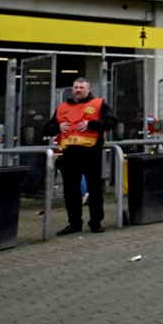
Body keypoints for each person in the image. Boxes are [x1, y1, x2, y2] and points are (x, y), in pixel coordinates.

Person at [42, 77, 117, 235]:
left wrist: (91, 124)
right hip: (69, 154)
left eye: (81, 87)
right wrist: (58, 126)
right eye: (76, 87)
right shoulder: (62, 107)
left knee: (94, 189)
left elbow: (112, 122)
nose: (78, 90)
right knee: (70, 191)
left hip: (91, 153)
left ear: (87, 89)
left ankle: (96, 222)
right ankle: (74, 223)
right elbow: (47, 129)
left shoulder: (98, 104)